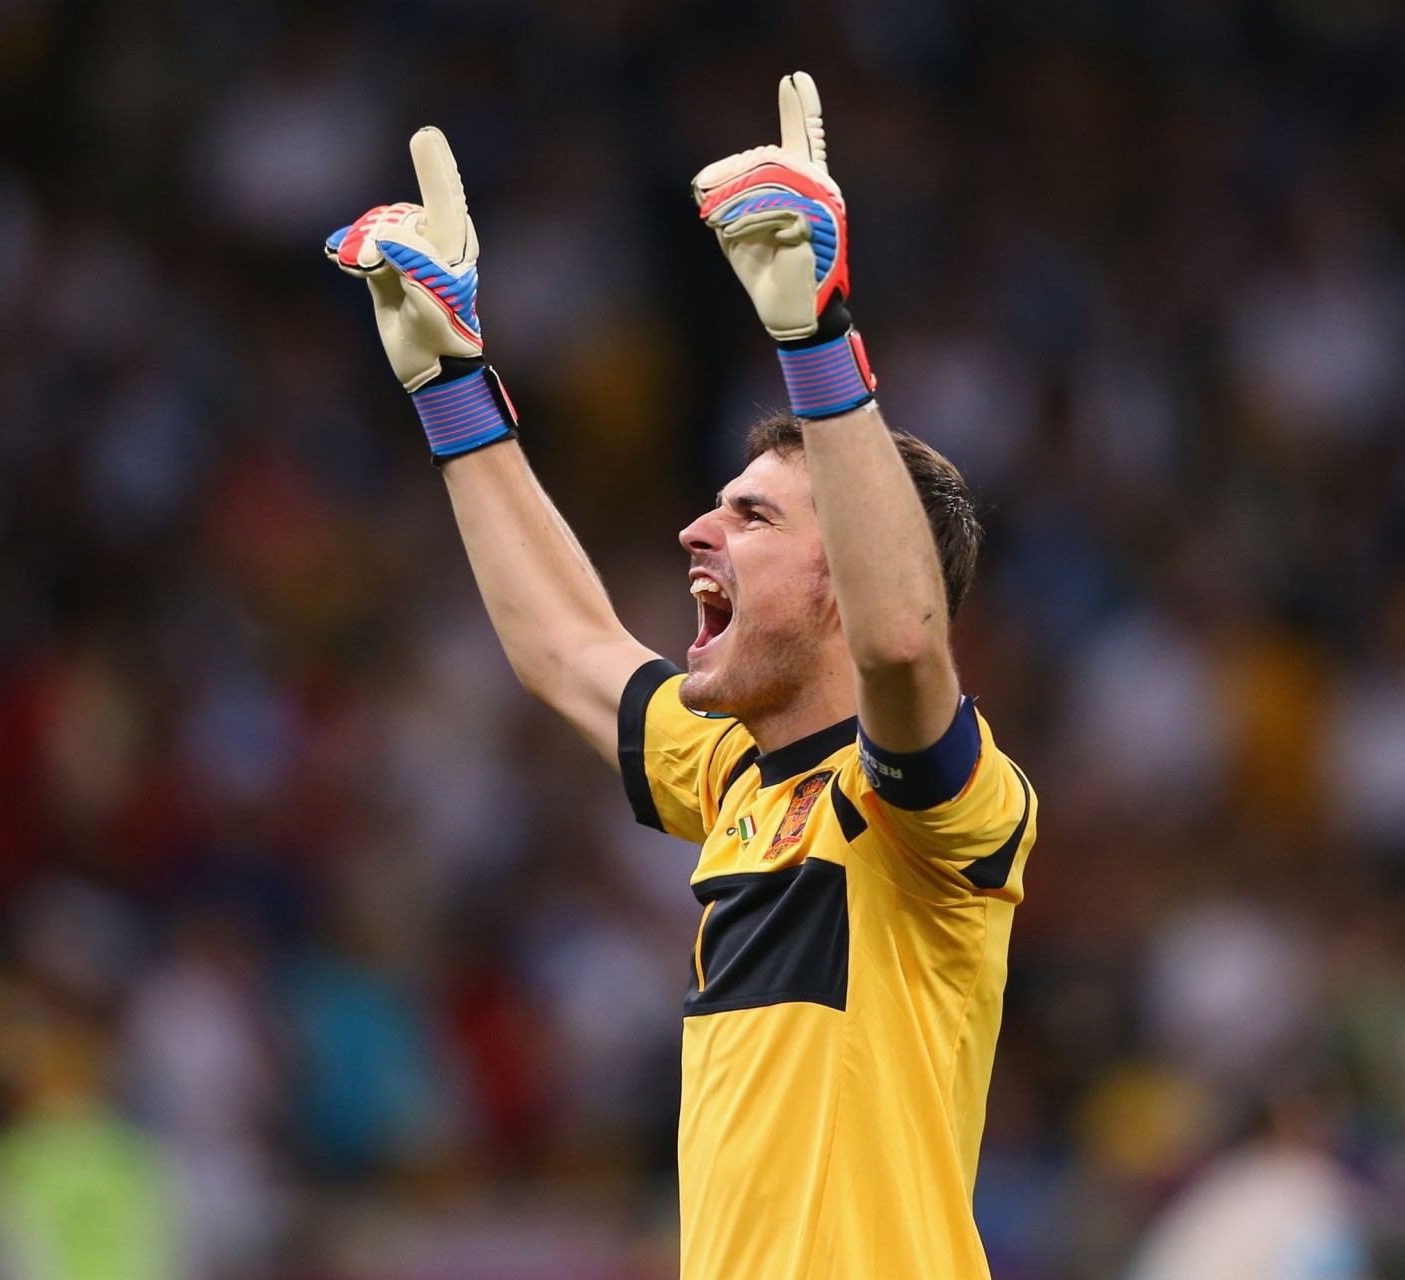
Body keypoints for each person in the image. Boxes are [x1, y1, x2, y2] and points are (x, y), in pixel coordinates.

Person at [326, 72, 1037, 1279]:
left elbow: (906, 644)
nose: (696, 535)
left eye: (753, 518)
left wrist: (817, 339)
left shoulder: (938, 818)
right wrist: (450, 386)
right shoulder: (736, 777)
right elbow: (567, 646)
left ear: (842, 579)